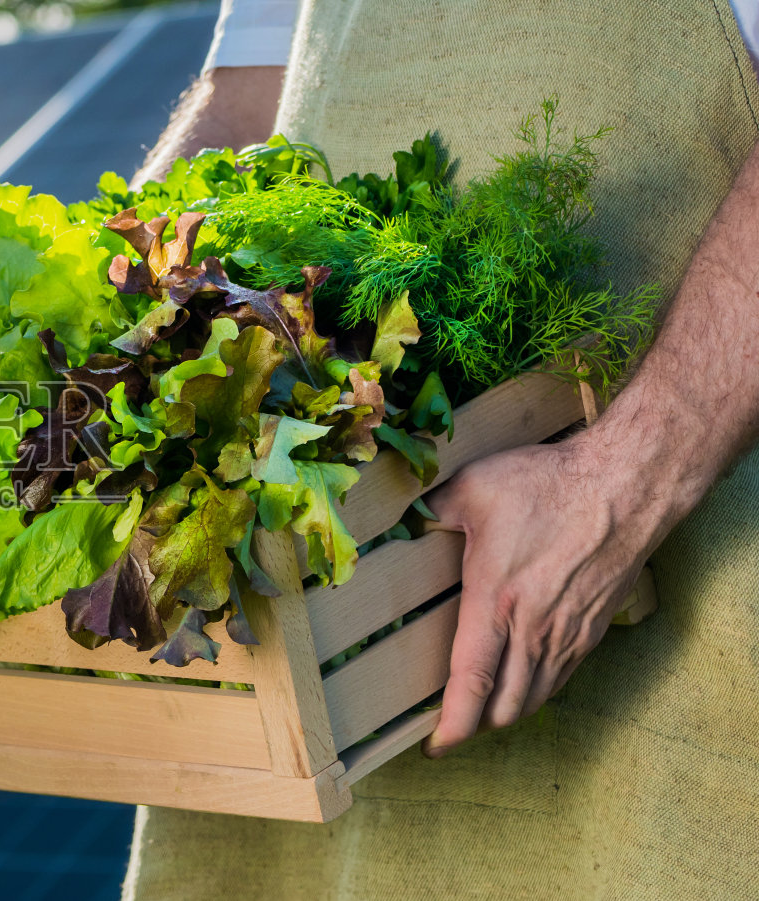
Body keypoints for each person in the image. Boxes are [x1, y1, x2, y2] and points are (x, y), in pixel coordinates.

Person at [123, 1, 759, 897]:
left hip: (672, 597)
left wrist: (626, 482)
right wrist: (106, 340)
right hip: (292, 683)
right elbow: (252, 90)